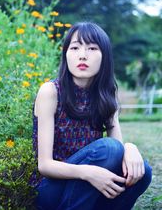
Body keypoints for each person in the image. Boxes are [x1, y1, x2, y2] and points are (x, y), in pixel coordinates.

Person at [31, 21, 152, 210]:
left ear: (104, 57)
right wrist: (88, 172)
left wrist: (130, 147)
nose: (82, 55)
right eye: (75, 47)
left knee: (142, 172)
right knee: (108, 148)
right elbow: (45, 165)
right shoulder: (51, 91)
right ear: (66, 54)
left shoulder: (106, 94)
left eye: (92, 48)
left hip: (87, 188)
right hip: (51, 188)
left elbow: (119, 148)